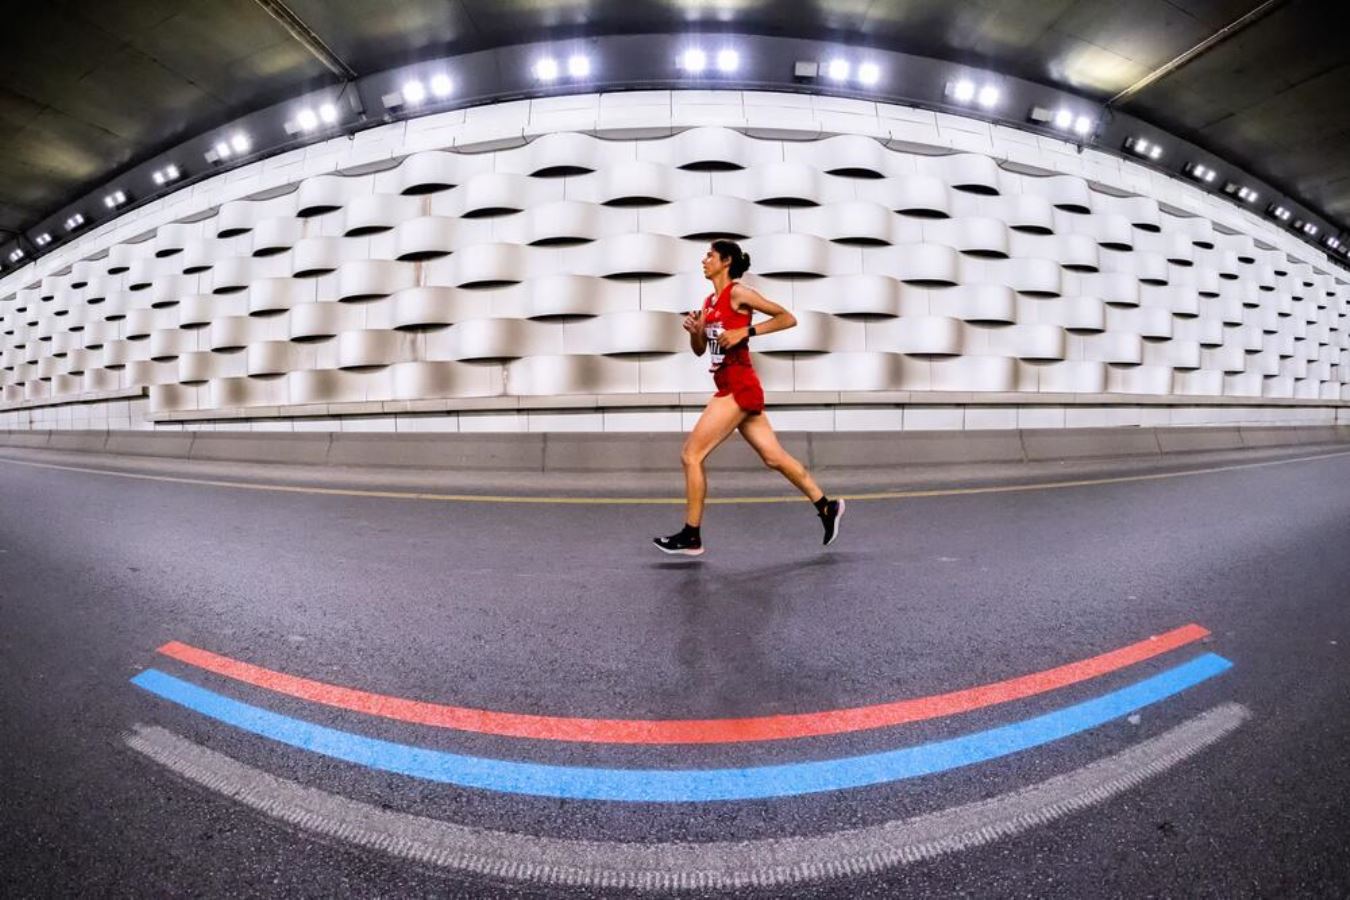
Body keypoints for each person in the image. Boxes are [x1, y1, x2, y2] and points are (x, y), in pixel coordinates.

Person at [653, 240, 844, 556]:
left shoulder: (738, 293)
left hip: (738, 386)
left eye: (709, 255)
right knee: (773, 457)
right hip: (728, 382)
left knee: (691, 455)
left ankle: (691, 535)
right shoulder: (709, 301)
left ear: (725, 261)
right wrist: (695, 331)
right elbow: (703, 351)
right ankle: (827, 507)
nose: (704, 260)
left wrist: (747, 332)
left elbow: (787, 318)